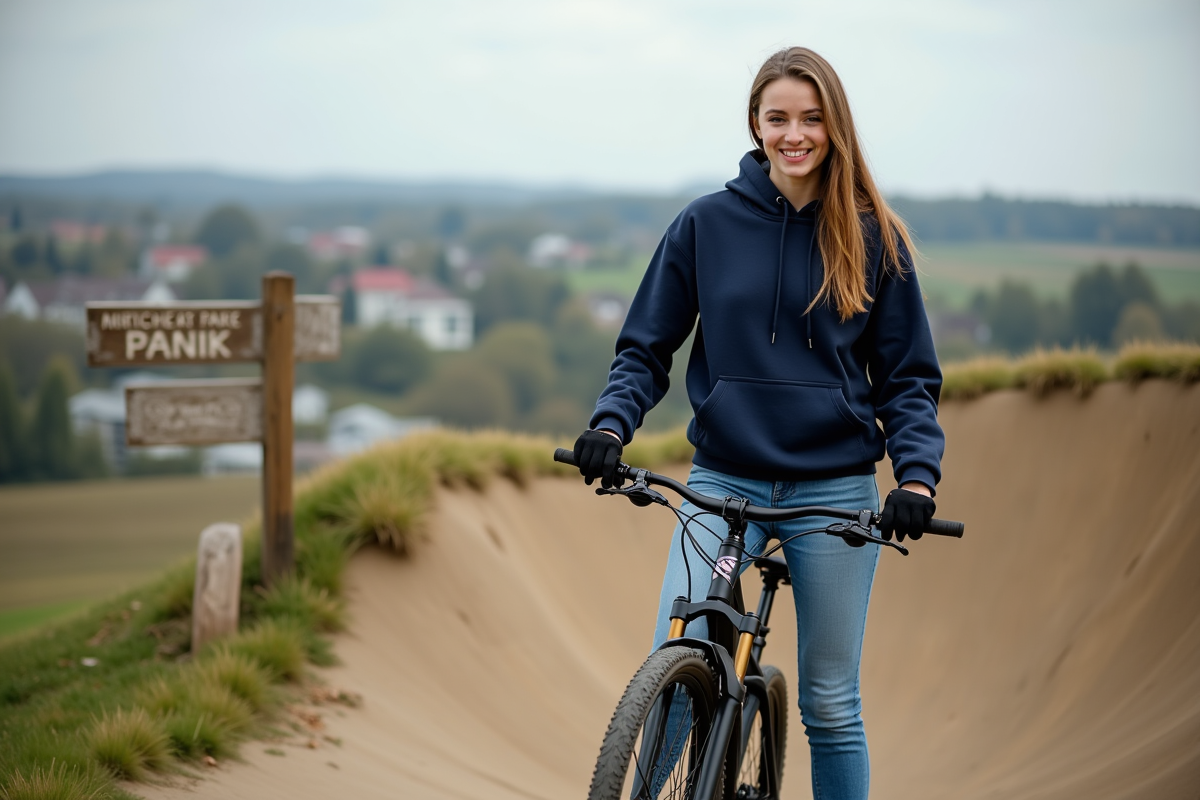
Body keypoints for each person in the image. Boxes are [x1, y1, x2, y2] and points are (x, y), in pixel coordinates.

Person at [572, 46, 945, 800]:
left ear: (834, 127)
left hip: (834, 496)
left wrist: (916, 478)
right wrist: (611, 426)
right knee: (675, 669)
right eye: (778, 118)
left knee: (830, 704)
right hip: (722, 483)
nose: (794, 134)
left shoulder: (876, 236)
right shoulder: (705, 223)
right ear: (755, 124)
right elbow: (646, 347)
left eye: (811, 119)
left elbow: (907, 379)